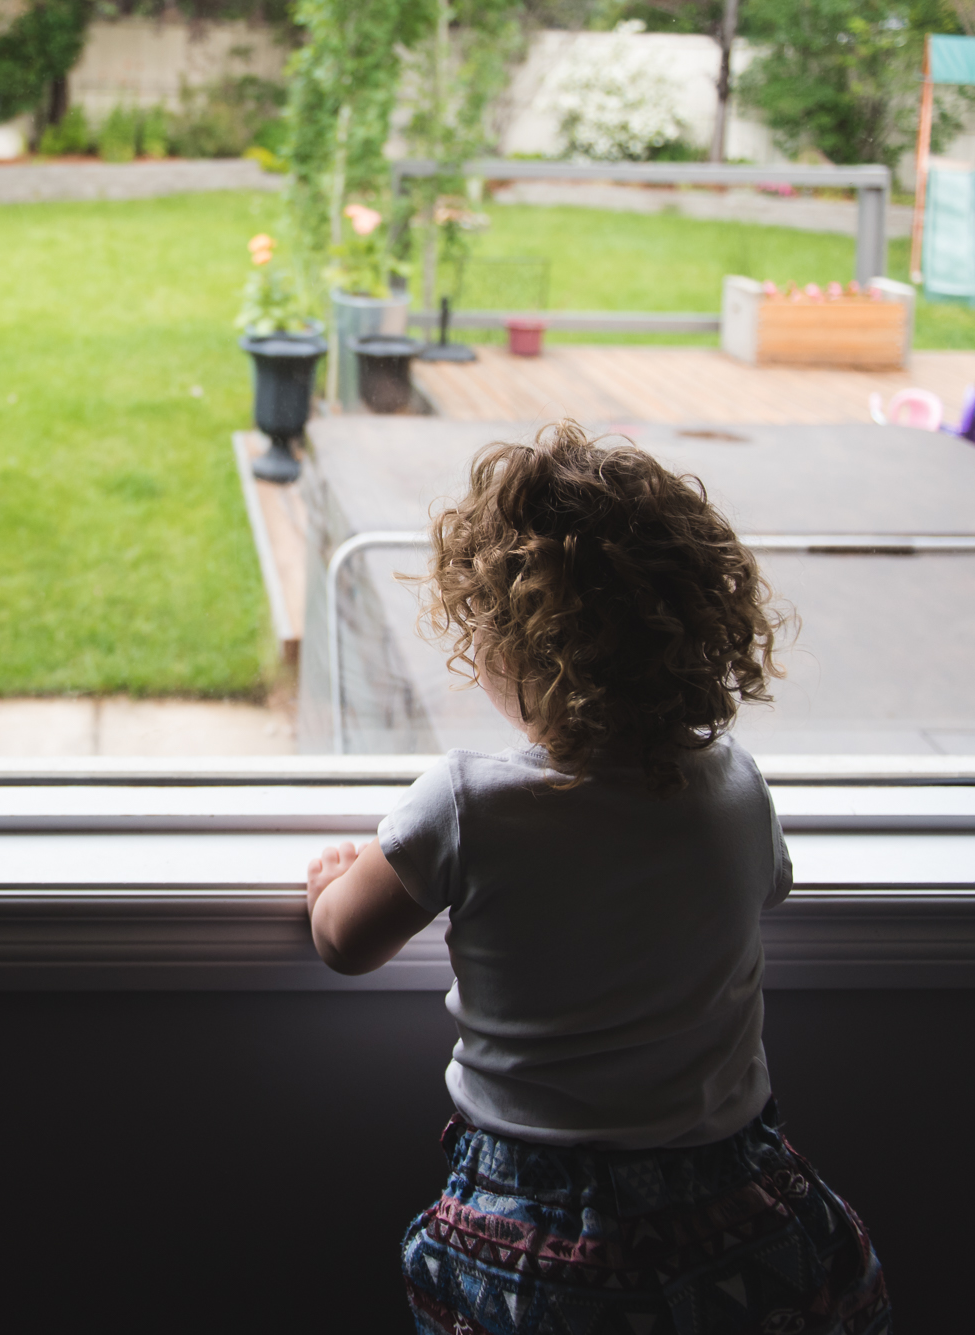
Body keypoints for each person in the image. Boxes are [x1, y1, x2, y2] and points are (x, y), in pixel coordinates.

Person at [305, 423, 891, 1335]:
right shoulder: (733, 786)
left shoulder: (467, 802)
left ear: (511, 646)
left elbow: (346, 941)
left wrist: (336, 877)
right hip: (741, 1212)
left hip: (540, 1234)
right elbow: (770, 885)